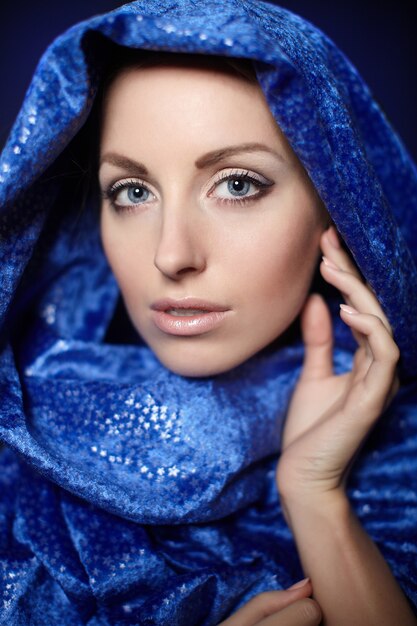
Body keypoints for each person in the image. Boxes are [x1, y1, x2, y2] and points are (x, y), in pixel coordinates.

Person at [0, 1, 416, 625]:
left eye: (238, 184)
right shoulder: (15, 429)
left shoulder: (401, 455)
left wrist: (313, 494)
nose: (172, 255)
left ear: (335, 203)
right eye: (132, 192)